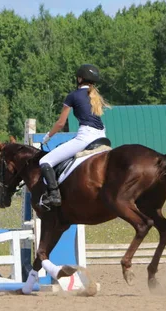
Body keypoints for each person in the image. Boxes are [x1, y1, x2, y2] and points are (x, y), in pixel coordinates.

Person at [39, 64, 111, 209]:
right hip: (102, 136)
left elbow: (60, 123)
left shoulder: (73, 96)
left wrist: (48, 136)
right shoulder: (95, 96)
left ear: (79, 79)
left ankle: (54, 195)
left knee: (45, 161)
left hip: (85, 137)